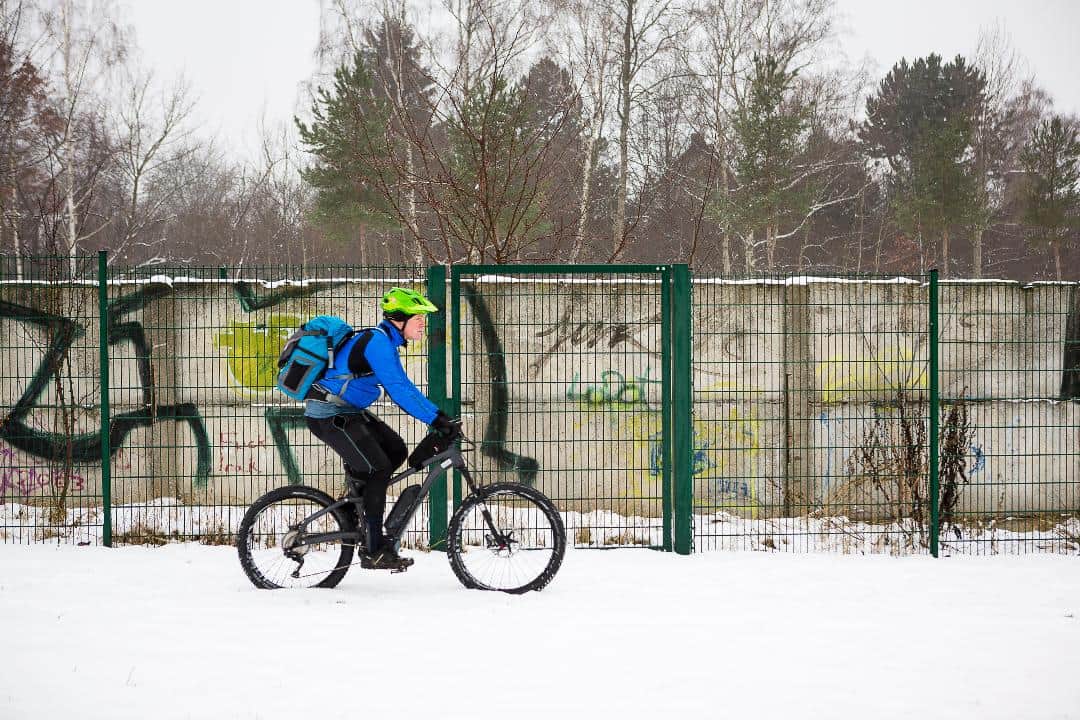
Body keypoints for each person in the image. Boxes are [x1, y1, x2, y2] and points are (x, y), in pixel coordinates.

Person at [304, 287, 457, 570]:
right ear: (399, 319)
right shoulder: (378, 343)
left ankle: (352, 508)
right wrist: (436, 419)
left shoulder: (385, 341)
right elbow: (398, 390)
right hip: (328, 414)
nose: (423, 323)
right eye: (418, 318)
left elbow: (404, 386)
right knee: (378, 468)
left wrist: (438, 415)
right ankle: (374, 548)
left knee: (395, 450)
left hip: (347, 412)